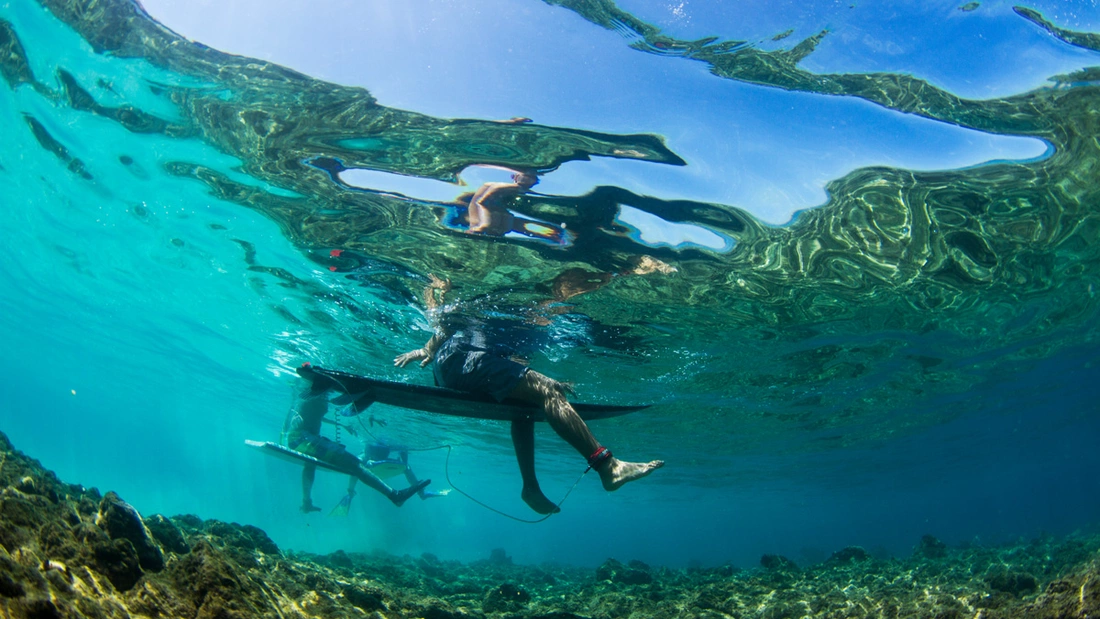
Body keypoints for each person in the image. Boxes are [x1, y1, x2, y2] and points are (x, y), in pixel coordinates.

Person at [393, 275, 665, 515]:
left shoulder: (536, 325)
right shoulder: (519, 306)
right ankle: (608, 467)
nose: (574, 302)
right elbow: (445, 320)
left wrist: (547, 385)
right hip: (459, 361)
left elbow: (516, 369)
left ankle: (530, 489)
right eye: (579, 290)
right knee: (547, 392)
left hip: (462, 366)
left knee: (529, 404)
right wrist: (427, 347)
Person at [283, 388, 430, 513]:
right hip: (302, 439)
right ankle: (394, 495)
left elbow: (305, 415)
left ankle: (306, 502)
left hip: (301, 439)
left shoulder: (308, 396)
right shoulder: (313, 393)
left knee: (311, 463)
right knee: (355, 463)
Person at [330, 443, 449, 516]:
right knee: (358, 464)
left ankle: (422, 493)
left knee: (406, 467)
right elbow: (355, 470)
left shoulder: (381, 449)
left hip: (379, 470)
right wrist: (350, 490)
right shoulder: (363, 457)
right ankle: (350, 495)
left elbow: (405, 463)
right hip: (371, 469)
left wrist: (403, 457)